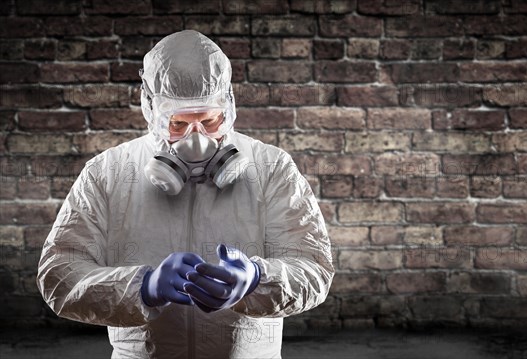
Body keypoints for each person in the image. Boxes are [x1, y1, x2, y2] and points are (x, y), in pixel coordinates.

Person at [37, 30, 335, 359]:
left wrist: (256, 280)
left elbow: (314, 268)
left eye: (209, 120)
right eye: (178, 123)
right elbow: (59, 275)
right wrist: (143, 288)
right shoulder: (107, 172)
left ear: (228, 106)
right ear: (150, 109)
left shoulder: (271, 167)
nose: (197, 138)